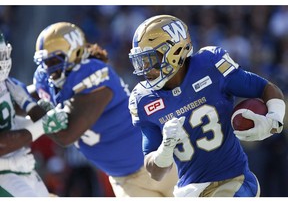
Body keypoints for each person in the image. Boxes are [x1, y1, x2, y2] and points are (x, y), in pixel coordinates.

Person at [128, 14, 286, 197]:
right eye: (141, 62)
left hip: (233, 182)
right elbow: (155, 172)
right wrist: (163, 151)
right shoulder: (143, 99)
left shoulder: (210, 65)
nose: (146, 69)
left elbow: (267, 88)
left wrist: (273, 121)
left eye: (151, 59)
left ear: (175, 51)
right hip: (188, 192)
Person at [28, 22, 178, 197]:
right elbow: (23, 94)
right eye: (44, 62)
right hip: (124, 181)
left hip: (160, 163)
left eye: (54, 60)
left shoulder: (93, 72)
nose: (48, 68)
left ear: (75, 53)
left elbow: (66, 135)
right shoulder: (47, 80)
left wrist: (29, 106)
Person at [0, 31, 68, 197]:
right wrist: (43, 125)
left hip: (21, 166)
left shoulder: (6, 83)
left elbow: (9, 124)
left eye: (2, 54)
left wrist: (35, 113)